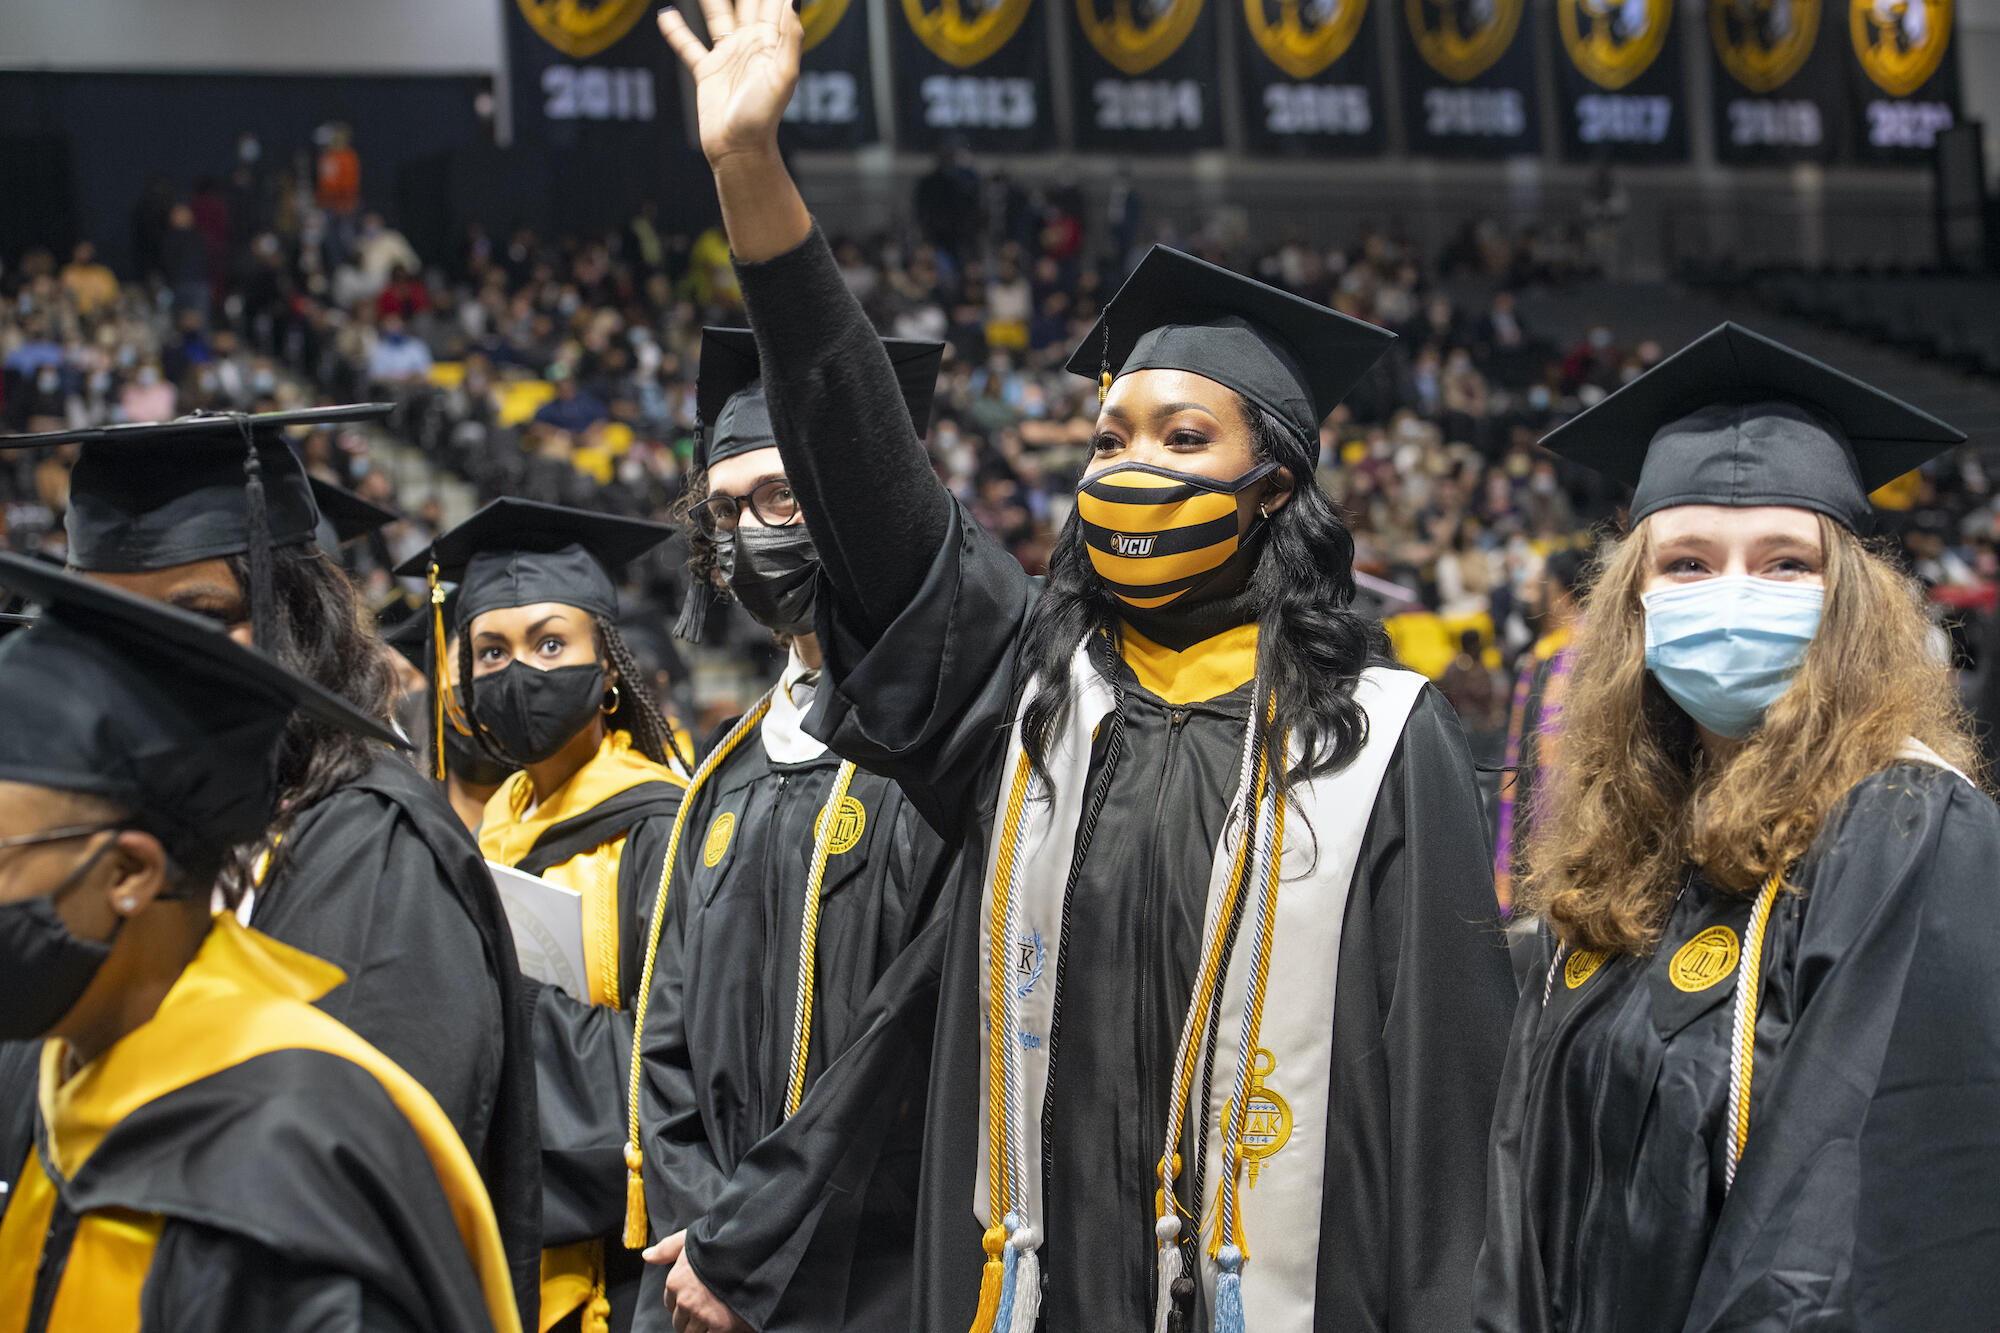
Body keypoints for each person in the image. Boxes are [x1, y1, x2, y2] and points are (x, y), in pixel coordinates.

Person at [656, 7, 1517, 1328]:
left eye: (1182, 438)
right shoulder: (1026, 705)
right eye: (1112, 433)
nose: (1129, 466)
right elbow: (870, 474)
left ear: (1276, 487)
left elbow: (1452, 1137)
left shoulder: (1386, 751)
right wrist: (752, 177)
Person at [1475, 323, 2000, 1331]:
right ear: (1630, 600)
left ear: (1847, 600)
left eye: (1782, 564)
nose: (1729, 596)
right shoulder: (1625, 844)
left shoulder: (1904, 835)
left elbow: (1833, 1241)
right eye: (1683, 562)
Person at [0, 406, 543, 1323]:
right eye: (100, 619)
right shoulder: (104, 839)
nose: (141, 661)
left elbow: (332, 1209)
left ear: (291, 618)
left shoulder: (375, 848)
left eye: (199, 618)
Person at [630, 328, 953, 1333]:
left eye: (781, 498)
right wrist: (703, 1240)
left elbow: (906, 1039)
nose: (746, 535)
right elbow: (665, 1047)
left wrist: (751, 1243)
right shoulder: (721, 774)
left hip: (874, 1266)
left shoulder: (938, 758)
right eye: (723, 511)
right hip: (706, 1273)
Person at [403, 498, 690, 1333]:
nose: (518, 671)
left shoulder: (661, 824)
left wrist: (490, 1007)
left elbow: (677, 1057)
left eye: (549, 642)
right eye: (490, 650)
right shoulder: (497, 826)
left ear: (608, 666)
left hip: (623, 1261)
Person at [1492, 546, 1584, 916]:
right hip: (1529, 816)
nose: (1528, 595)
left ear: (1559, 592)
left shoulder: (1588, 654)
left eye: (1536, 585)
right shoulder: (1541, 655)